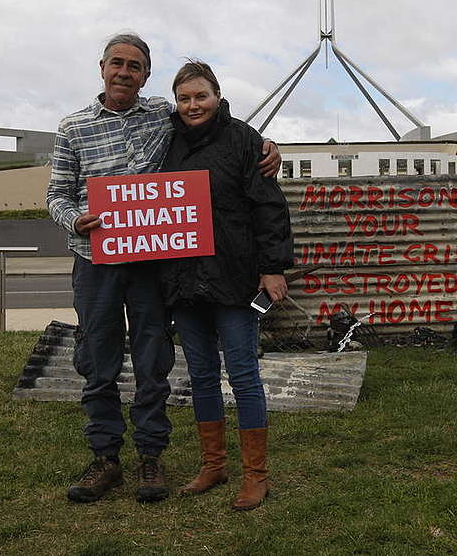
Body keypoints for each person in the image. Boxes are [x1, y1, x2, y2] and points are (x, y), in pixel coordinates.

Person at [46, 34, 281, 504]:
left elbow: (218, 127)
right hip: (97, 261)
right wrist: (74, 217)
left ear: (146, 77)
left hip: (154, 264)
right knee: (98, 360)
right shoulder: (72, 128)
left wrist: (265, 144)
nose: (124, 73)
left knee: (155, 361)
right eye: (117, 64)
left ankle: (151, 458)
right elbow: (56, 195)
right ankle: (105, 458)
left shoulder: (162, 117)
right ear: (102, 67)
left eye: (135, 67)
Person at [160, 60, 293, 511]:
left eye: (201, 96)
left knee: (243, 376)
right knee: (200, 377)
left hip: (234, 279)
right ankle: (212, 465)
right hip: (182, 280)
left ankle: (256, 475)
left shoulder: (244, 140)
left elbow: (269, 207)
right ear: (175, 103)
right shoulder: (165, 141)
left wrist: (273, 267)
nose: (193, 105)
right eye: (184, 98)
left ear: (217, 97)